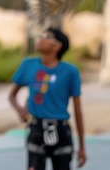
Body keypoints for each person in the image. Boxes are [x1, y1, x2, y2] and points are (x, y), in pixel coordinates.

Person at [8, 27, 87, 170]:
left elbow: (78, 111)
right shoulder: (28, 65)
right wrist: (20, 110)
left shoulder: (70, 72)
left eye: (47, 36)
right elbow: (12, 96)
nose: (40, 39)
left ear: (57, 46)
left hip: (61, 131)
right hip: (36, 130)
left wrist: (82, 146)